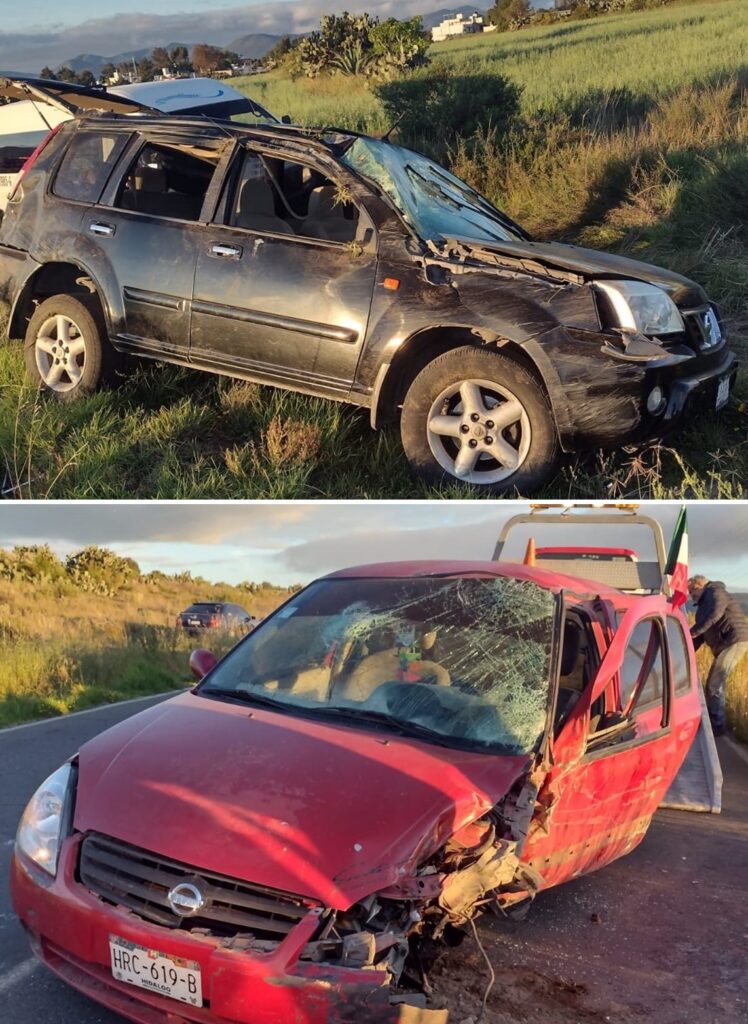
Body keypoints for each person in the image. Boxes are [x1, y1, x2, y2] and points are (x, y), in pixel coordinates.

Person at [688, 576, 748, 736]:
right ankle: (714, 723)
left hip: (733, 641)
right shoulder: (703, 607)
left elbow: (715, 614)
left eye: (692, 590)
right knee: (713, 684)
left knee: (715, 684)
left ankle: (718, 727)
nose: (690, 594)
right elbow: (701, 635)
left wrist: (691, 632)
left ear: (699, 585)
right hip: (727, 643)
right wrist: (685, 649)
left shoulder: (715, 592)